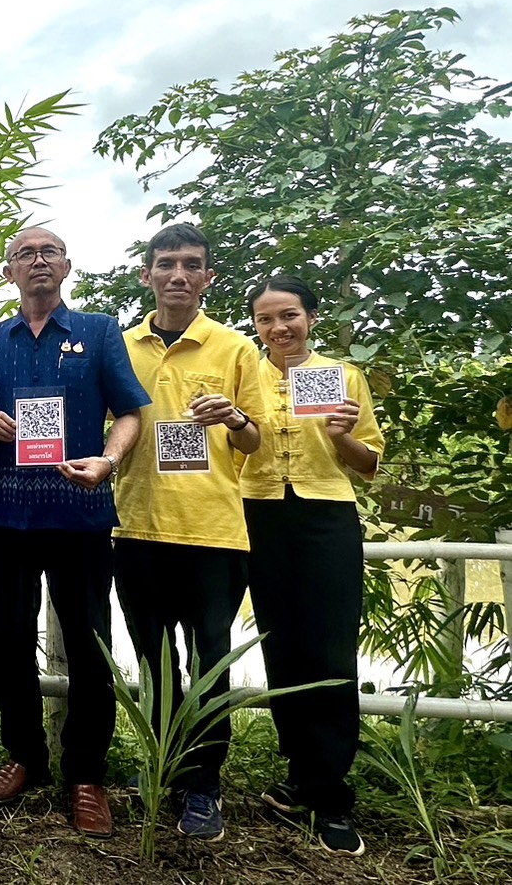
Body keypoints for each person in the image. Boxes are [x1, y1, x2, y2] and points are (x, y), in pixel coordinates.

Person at [0, 228, 149, 837]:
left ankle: (87, 775)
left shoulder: (100, 332)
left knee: (90, 648)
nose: (38, 261)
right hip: (7, 514)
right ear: (9, 270)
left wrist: (110, 459)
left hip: (80, 516)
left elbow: (129, 410)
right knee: (10, 645)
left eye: (49, 253)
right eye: (26, 254)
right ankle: (24, 757)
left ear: (67, 266)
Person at [111, 223, 267, 841]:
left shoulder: (235, 349)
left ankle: (203, 786)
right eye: (166, 263)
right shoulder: (120, 347)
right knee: (154, 661)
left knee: (209, 661)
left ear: (208, 278)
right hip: (138, 527)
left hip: (213, 531)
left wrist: (234, 417)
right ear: (147, 274)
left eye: (191, 264)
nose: (178, 274)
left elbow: (252, 442)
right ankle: (162, 766)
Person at [243, 275, 383, 857]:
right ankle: (299, 775)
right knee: (280, 643)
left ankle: (331, 792)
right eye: (267, 319)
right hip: (257, 513)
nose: (280, 328)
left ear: (311, 318)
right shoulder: (244, 373)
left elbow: (369, 465)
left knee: (328, 645)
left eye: (290, 315)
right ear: (255, 325)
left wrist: (342, 435)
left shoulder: (344, 376)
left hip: (326, 516)